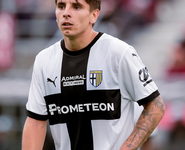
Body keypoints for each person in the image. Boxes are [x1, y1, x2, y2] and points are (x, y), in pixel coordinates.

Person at [22, 0, 165, 150]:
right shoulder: (44, 60)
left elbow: (155, 105)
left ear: (94, 15)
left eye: (76, 7)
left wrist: (127, 148)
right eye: (61, 6)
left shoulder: (119, 53)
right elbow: (35, 122)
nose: (66, 13)